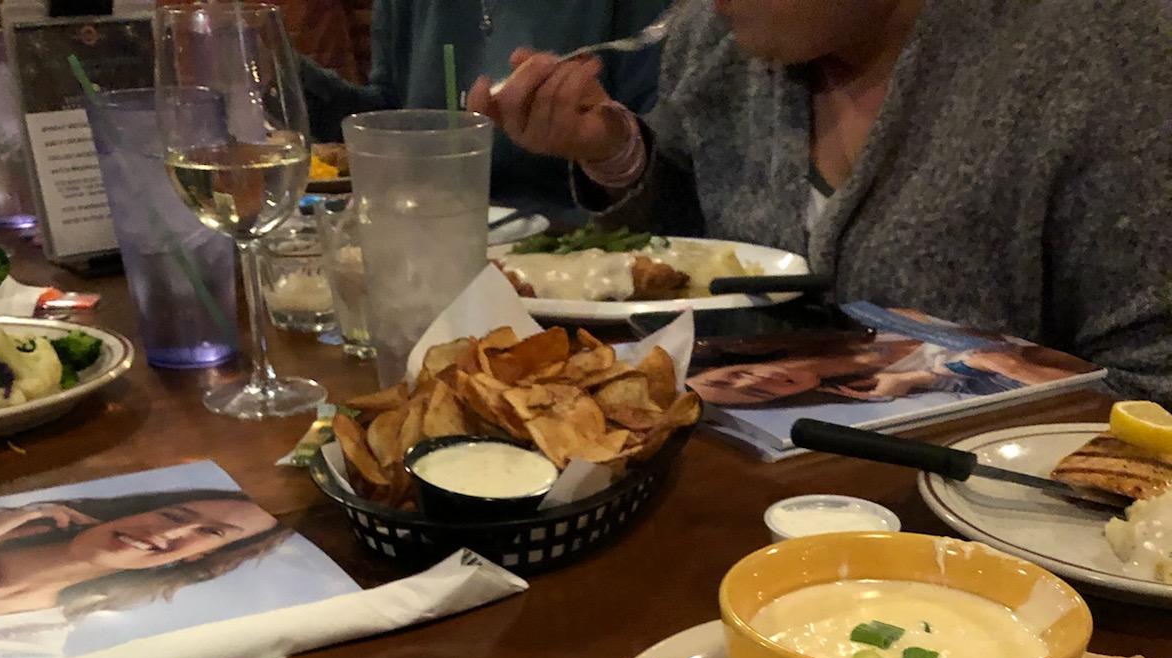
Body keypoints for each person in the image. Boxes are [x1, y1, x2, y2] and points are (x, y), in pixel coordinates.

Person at [469, 0, 1172, 401]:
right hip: (738, 499)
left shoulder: (1111, 52)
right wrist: (613, 151)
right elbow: (698, 248)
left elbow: (1150, 385)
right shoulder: (716, 40)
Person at [297, 0, 670, 216]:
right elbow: (392, 117)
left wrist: (609, 147)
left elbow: (670, 168)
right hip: (431, 250)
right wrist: (279, 72)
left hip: (578, 274)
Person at [0, 489, 288, 625]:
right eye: (173, 515)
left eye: (210, 532)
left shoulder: (35, 638)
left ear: (199, 556)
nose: (169, 532)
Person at [692, 337, 1089, 409]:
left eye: (735, 376)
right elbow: (1083, 388)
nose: (758, 382)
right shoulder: (879, 386)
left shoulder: (841, 326)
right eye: (759, 395)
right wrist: (917, 380)